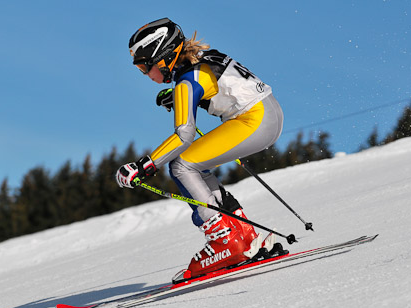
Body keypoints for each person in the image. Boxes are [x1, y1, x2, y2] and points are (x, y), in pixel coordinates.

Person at [115, 18, 284, 281]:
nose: (147, 76)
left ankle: (223, 241)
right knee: (194, 164)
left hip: (255, 120)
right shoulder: (199, 61)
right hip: (267, 112)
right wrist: (180, 96)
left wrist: (144, 166)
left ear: (163, 58)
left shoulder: (187, 80)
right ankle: (242, 234)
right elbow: (214, 84)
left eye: (145, 67)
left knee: (181, 165)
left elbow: (184, 134)